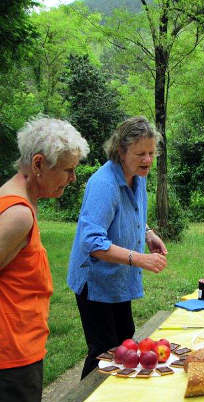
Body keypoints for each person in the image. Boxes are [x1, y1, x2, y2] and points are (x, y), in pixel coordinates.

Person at [0, 116, 89, 402]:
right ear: (39, 164)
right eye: (67, 170)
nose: (72, 178)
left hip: (20, 351)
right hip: (9, 359)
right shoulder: (18, 213)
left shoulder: (21, 202)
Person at [67, 116, 167, 380]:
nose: (147, 159)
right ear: (121, 151)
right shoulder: (104, 184)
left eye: (151, 152)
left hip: (118, 278)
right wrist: (140, 259)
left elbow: (130, 213)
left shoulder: (137, 175)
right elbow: (92, 243)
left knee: (124, 344)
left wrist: (148, 233)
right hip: (96, 282)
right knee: (104, 352)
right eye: (140, 154)